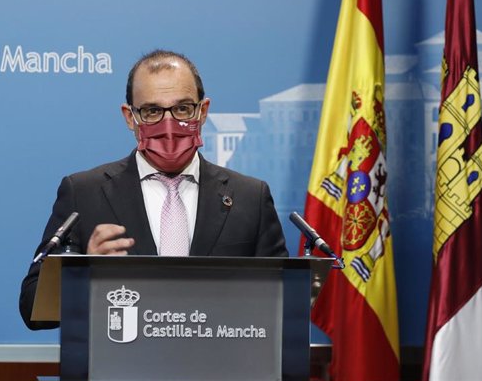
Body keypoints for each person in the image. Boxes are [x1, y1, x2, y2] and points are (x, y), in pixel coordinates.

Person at [19, 50, 288, 330]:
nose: (169, 125)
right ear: (129, 116)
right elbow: (32, 308)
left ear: (203, 111)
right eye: (152, 111)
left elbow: (284, 304)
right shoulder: (83, 192)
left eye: (182, 108)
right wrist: (84, 272)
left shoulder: (250, 197)